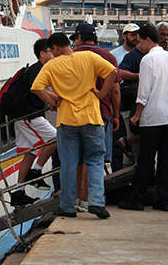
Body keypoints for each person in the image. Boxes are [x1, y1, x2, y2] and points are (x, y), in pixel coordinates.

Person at [31, 32, 117, 219]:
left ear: (54, 48)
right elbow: (113, 72)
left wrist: (53, 102)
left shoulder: (51, 65)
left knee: (69, 163)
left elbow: (37, 87)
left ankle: (68, 206)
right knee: (95, 160)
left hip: (67, 120)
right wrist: (101, 94)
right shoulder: (88, 57)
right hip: (91, 117)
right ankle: (96, 202)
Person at [118, 23, 168, 212]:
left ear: (148, 40)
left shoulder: (148, 60)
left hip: (153, 116)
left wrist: (137, 115)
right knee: (167, 159)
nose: (139, 46)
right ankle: (164, 199)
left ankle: (137, 198)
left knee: (146, 159)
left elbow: (144, 91)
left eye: (140, 42)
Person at [72, 23, 121, 211]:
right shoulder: (108, 57)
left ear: (78, 38)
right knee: (94, 158)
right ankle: (90, 199)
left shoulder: (70, 58)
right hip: (101, 112)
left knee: (76, 158)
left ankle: (77, 197)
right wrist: (116, 115)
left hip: (74, 113)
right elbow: (115, 90)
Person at [9, 39, 58, 206]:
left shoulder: (35, 69)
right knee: (57, 137)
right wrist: (54, 102)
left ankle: (18, 192)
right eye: (51, 51)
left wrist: (52, 100)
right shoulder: (38, 70)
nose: (54, 54)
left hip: (22, 116)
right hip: (29, 116)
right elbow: (36, 90)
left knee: (30, 152)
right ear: (42, 54)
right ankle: (36, 171)